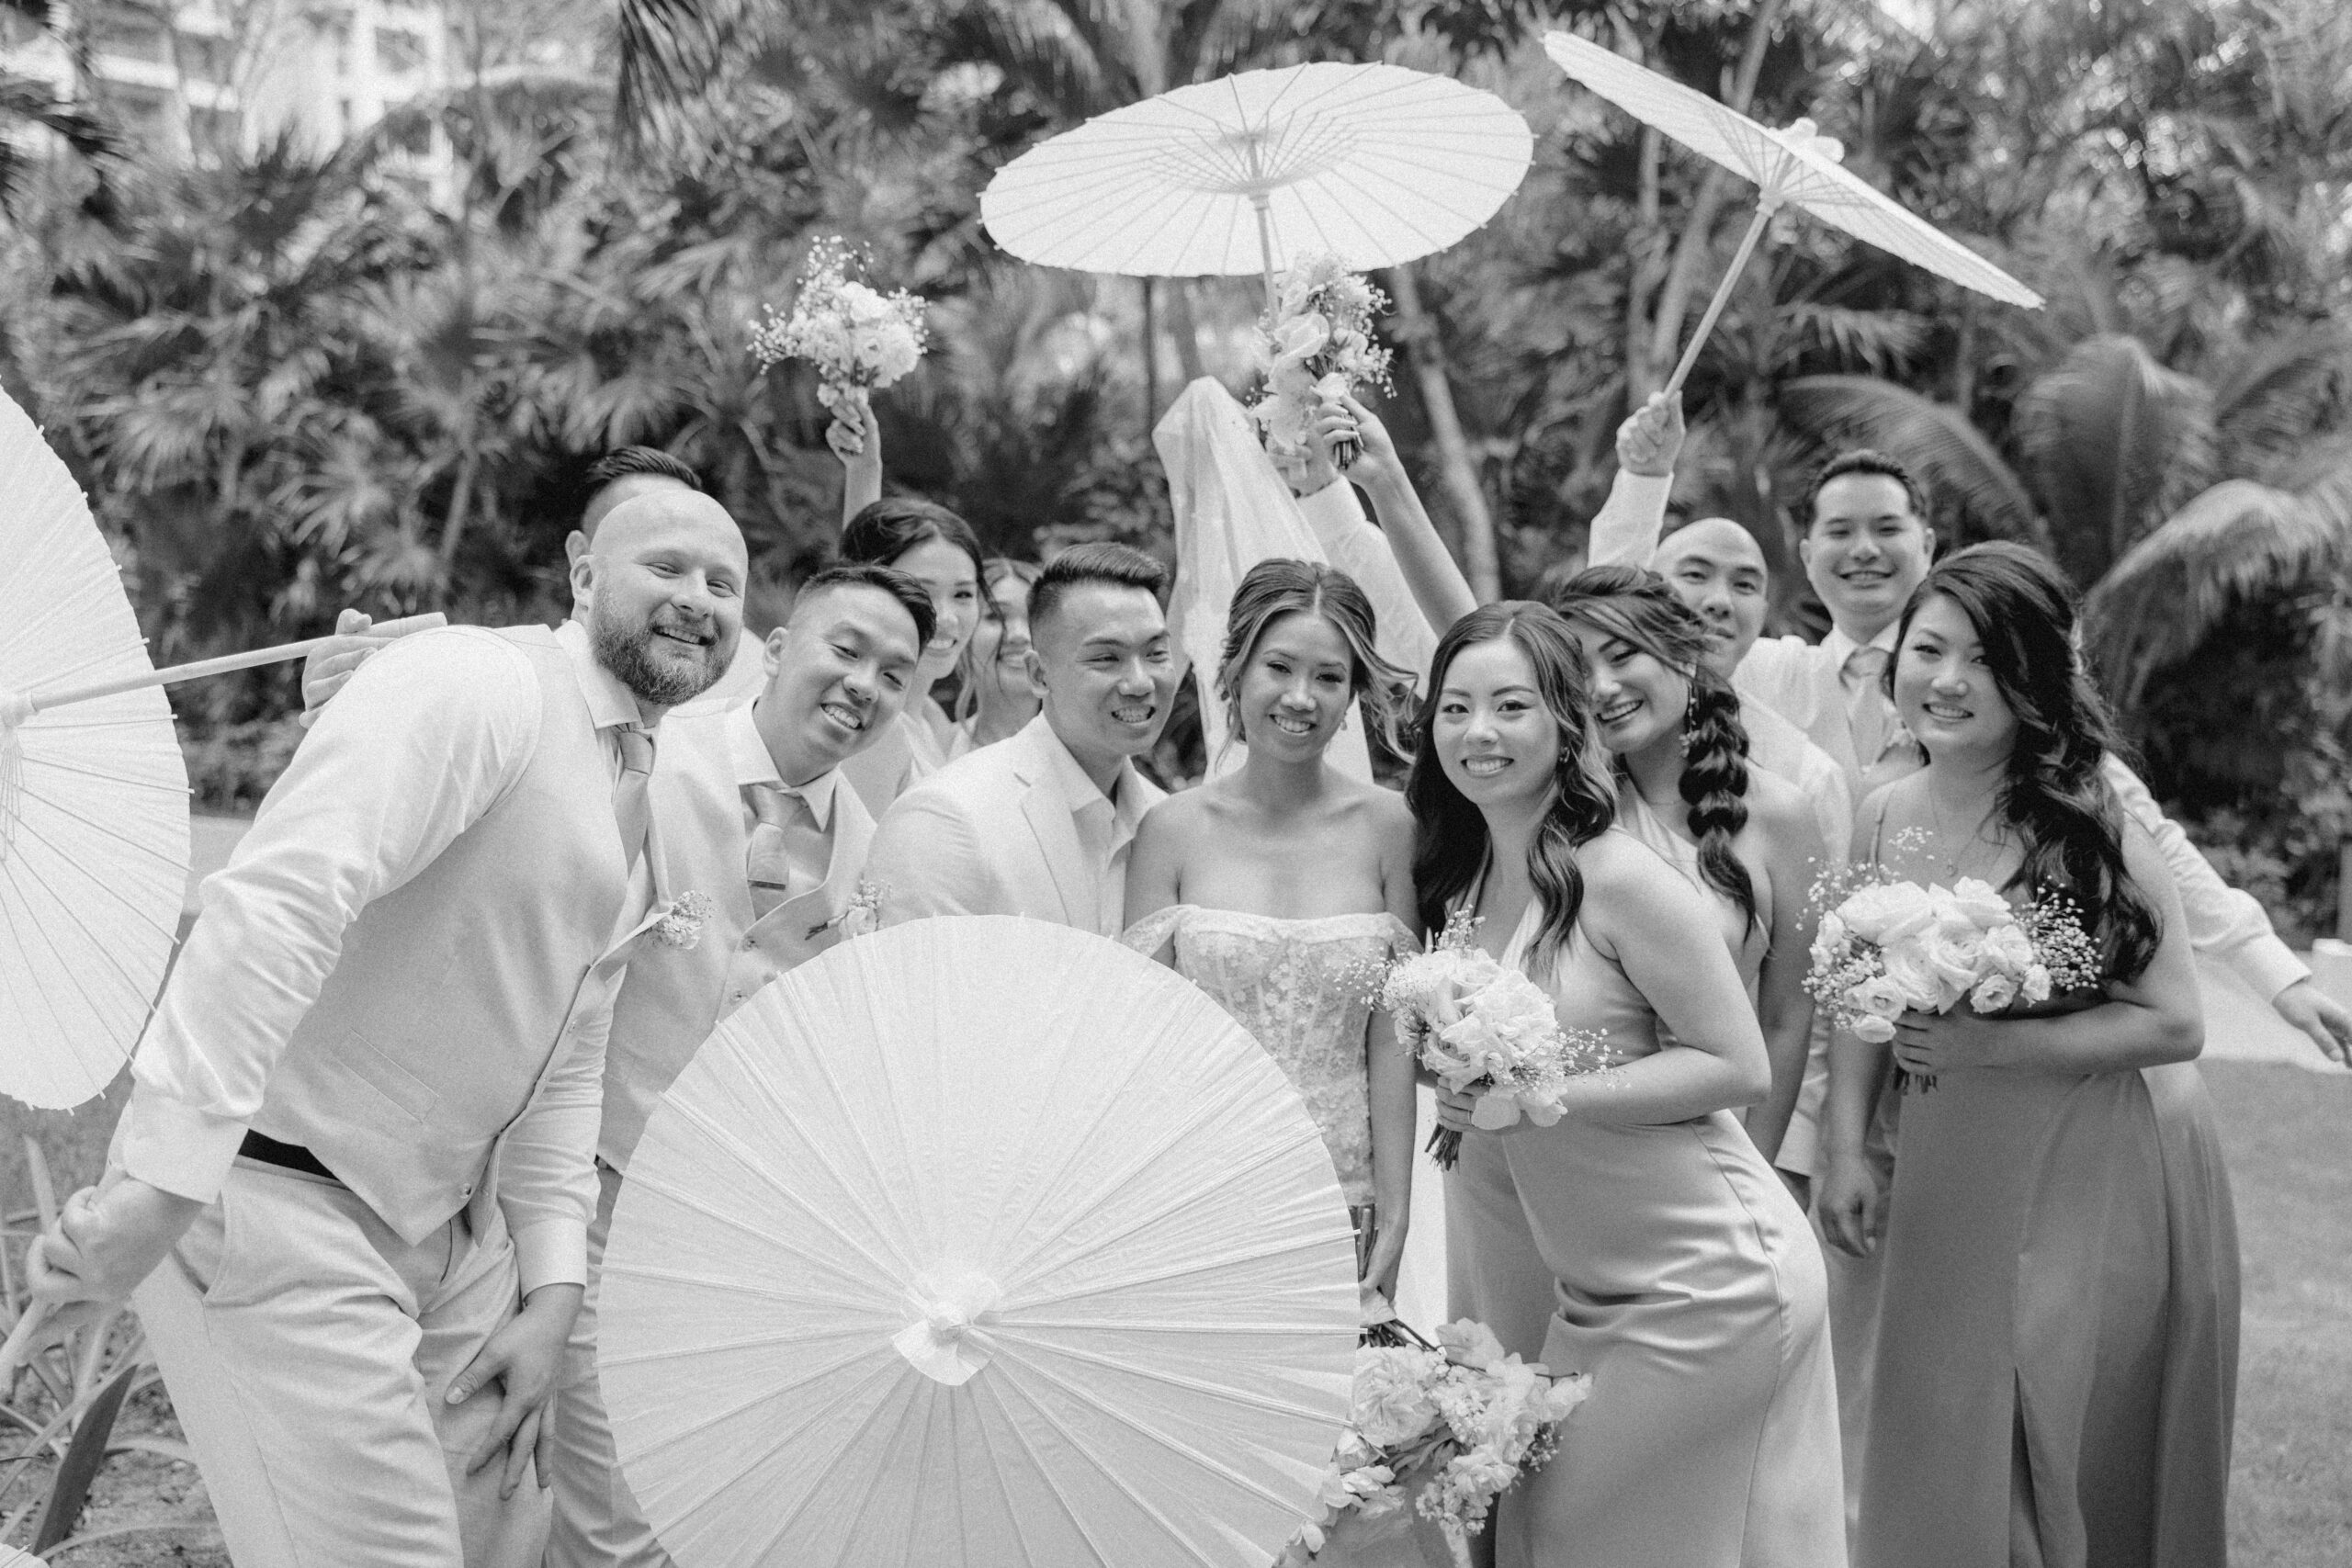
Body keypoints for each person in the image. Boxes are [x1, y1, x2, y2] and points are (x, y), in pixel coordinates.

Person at [24, 489, 750, 1568]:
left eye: (723, 583)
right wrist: (160, 1187)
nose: (697, 600)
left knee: (505, 1541)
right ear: (583, 572)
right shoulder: (478, 681)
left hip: (454, 1250)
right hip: (284, 1210)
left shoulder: (640, 785)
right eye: (669, 568)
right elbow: (279, 901)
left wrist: (552, 1290)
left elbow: (565, 1056)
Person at [1587, 444, 2352, 1066]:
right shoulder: (1758, 679)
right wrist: (1645, 474)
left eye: (1886, 527)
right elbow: (1610, 628)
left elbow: (2147, 842)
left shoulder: (1994, 697)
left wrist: (2274, 973)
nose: (1863, 550)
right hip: (1795, 1047)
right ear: (1808, 551)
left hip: (1947, 1037)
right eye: (1839, 530)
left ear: (1927, 543)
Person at [1816, 543, 2236, 1568]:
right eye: (1928, 651)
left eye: (1986, 660)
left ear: (2035, 678)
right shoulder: (1880, 810)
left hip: (2088, 1158)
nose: (1947, 681)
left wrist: (1992, 1050)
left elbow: (2175, 1022)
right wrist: (1843, 1148)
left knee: (2061, 1418)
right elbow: (1856, 994)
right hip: (1947, 1164)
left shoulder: (2091, 815)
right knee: (1945, 1411)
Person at [1422, 604, 1843, 1568]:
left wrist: (1543, 1094)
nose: (1478, 733)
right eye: (1455, 707)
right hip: (1591, 1283)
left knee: (1570, 1527)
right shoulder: (1463, 881)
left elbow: (1738, 1064)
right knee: (1540, 1531)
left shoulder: (1618, 876)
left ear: (1566, 721)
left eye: (1510, 706)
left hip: (1707, 1275)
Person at [542, 563, 933, 1568]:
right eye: (845, 651)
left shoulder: (873, 853)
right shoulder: (651, 765)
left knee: (679, 1499)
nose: (863, 685)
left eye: (894, 673)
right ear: (777, 648)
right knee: (601, 1513)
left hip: (721, 1234)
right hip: (578, 1188)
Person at [1122, 559, 1426, 1322]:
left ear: (1352, 694)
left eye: (1329, 677)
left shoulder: (1392, 829)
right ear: (1233, 670)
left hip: (1342, 1191)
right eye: (1279, 667)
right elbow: (1137, 1035)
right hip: (1197, 1185)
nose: (1300, 698)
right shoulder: (1171, 830)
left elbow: (1394, 1036)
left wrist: (1395, 1206)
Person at [1549, 568, 1826, 1172]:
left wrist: (1757, 1171)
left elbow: (1786, 1018)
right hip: (1573, 1138)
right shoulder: (1564, 818)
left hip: (1715, 1155)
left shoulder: (1782, 816)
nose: (1602, 687)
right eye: (1576, 673)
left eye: (1624, 656)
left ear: (1682, 650)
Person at [865, 542, 1175, 933]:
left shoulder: (1166, 819)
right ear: (1039, 675)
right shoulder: (946, 816)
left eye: (1156, 654)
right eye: (1106, 658)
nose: (1140, 682)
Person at [834, 497, 989, 812]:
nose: (946, 618)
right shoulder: (874, 727)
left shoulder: (930, 718)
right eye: (922, 592)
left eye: (963, 594)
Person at [951, 557, 1043, 755]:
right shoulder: (935, 746)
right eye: (996, 616)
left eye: (1034, 618)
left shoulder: (1088, 755)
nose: (1019, 634)